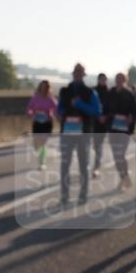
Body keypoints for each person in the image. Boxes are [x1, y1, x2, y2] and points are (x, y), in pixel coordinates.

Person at [57, 63, 102, 207]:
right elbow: (58, 110)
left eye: (80, 72)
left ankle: (83, 195)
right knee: (65, 165)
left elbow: (96, 111)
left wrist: (80, 104)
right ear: (73, 74)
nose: (77, 74)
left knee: (84, 165)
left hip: (84, 133)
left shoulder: (90, 92)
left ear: (83, 75)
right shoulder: (64, 91)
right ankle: (64, 196)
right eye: (75, 72)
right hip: (67, 133)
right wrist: (61, 115)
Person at [104, 72, 136, 189]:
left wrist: (131, 117)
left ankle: (124, 177)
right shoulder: (111, 92)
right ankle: (124, 177)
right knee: (116, 155)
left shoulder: (129, 94)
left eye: (121, 78)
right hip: (113, 128)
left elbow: (135, 110)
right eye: (117, 78)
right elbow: (105, 108)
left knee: (121, 154)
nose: (119, 80)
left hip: (124, 129)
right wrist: (105, 116)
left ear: (126, 80)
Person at [25, 80, 56, 169]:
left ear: (48, 88)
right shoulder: (35, 98)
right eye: (42, 86)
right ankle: (38, 149)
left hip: (47, 123)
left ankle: (42, 162)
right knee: (37, 144)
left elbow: (56, 108)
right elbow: (29, 108)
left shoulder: (50, 99)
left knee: (43, 143)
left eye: (45, 87)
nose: (43, 88)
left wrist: (52, 115)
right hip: (37, 123)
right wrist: (31, 114)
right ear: (39, 87)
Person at [91, 73, 112, 178]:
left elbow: (112, 107)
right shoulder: (92, 91)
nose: (103, 81)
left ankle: (96, 166)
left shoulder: (109, 92)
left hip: (103, 123)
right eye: (101, 79)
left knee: (98, 145)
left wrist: (105, 117)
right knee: (93, 145)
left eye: (104, 79)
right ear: (98, 80)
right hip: (93, 122)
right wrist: (96, 116)